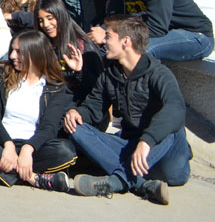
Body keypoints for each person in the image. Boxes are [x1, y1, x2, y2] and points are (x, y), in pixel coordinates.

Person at [65, 14, 190, 204]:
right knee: (75, 126)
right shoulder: (110, 75)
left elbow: (176, 109)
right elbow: (93, 108)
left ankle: (117, 181)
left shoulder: (158, 73)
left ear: (125, 41)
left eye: (108, 36)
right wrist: (78, 113)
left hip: (166, 160)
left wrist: (147, 141)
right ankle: (140, 184)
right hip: (132, 149)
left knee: (171, 125)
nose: (104, 41)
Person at [0, 30, 76, 190]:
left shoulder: (55, 86)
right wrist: (8, 145)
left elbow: (49, 127)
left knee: (66, 151)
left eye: (19, 52)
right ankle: (35, 178)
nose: (13, 56)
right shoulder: (0, 74)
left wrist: (28, 150)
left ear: (36, 54)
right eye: (12, 50)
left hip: (35, 147)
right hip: (0, 143)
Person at [36, 0, 102, 104]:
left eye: (50, 18)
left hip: (78, 106)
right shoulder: (44, 45)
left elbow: (96, 88)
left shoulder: (83, 46)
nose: (46, 25)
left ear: (60, 15)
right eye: (41, 20)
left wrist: (79, 71)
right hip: (53, 104)